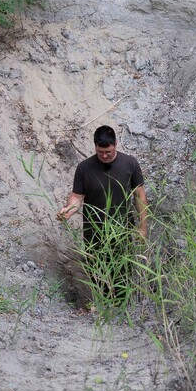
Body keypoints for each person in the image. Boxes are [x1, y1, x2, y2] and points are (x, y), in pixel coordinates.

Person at [56, 126, 148, 304]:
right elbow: (77, 196)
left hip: (123, 230)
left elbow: (140, 196)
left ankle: (122, 308)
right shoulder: (84, 168)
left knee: (123, 272)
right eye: (100, 152)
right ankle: (102, 306)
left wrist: (142, 227)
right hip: (94, 233)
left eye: (108, 151)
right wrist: (68, 210)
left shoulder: (130, 163)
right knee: (97, 272)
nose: (104, 156)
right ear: (95, 146)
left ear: (115, 144)